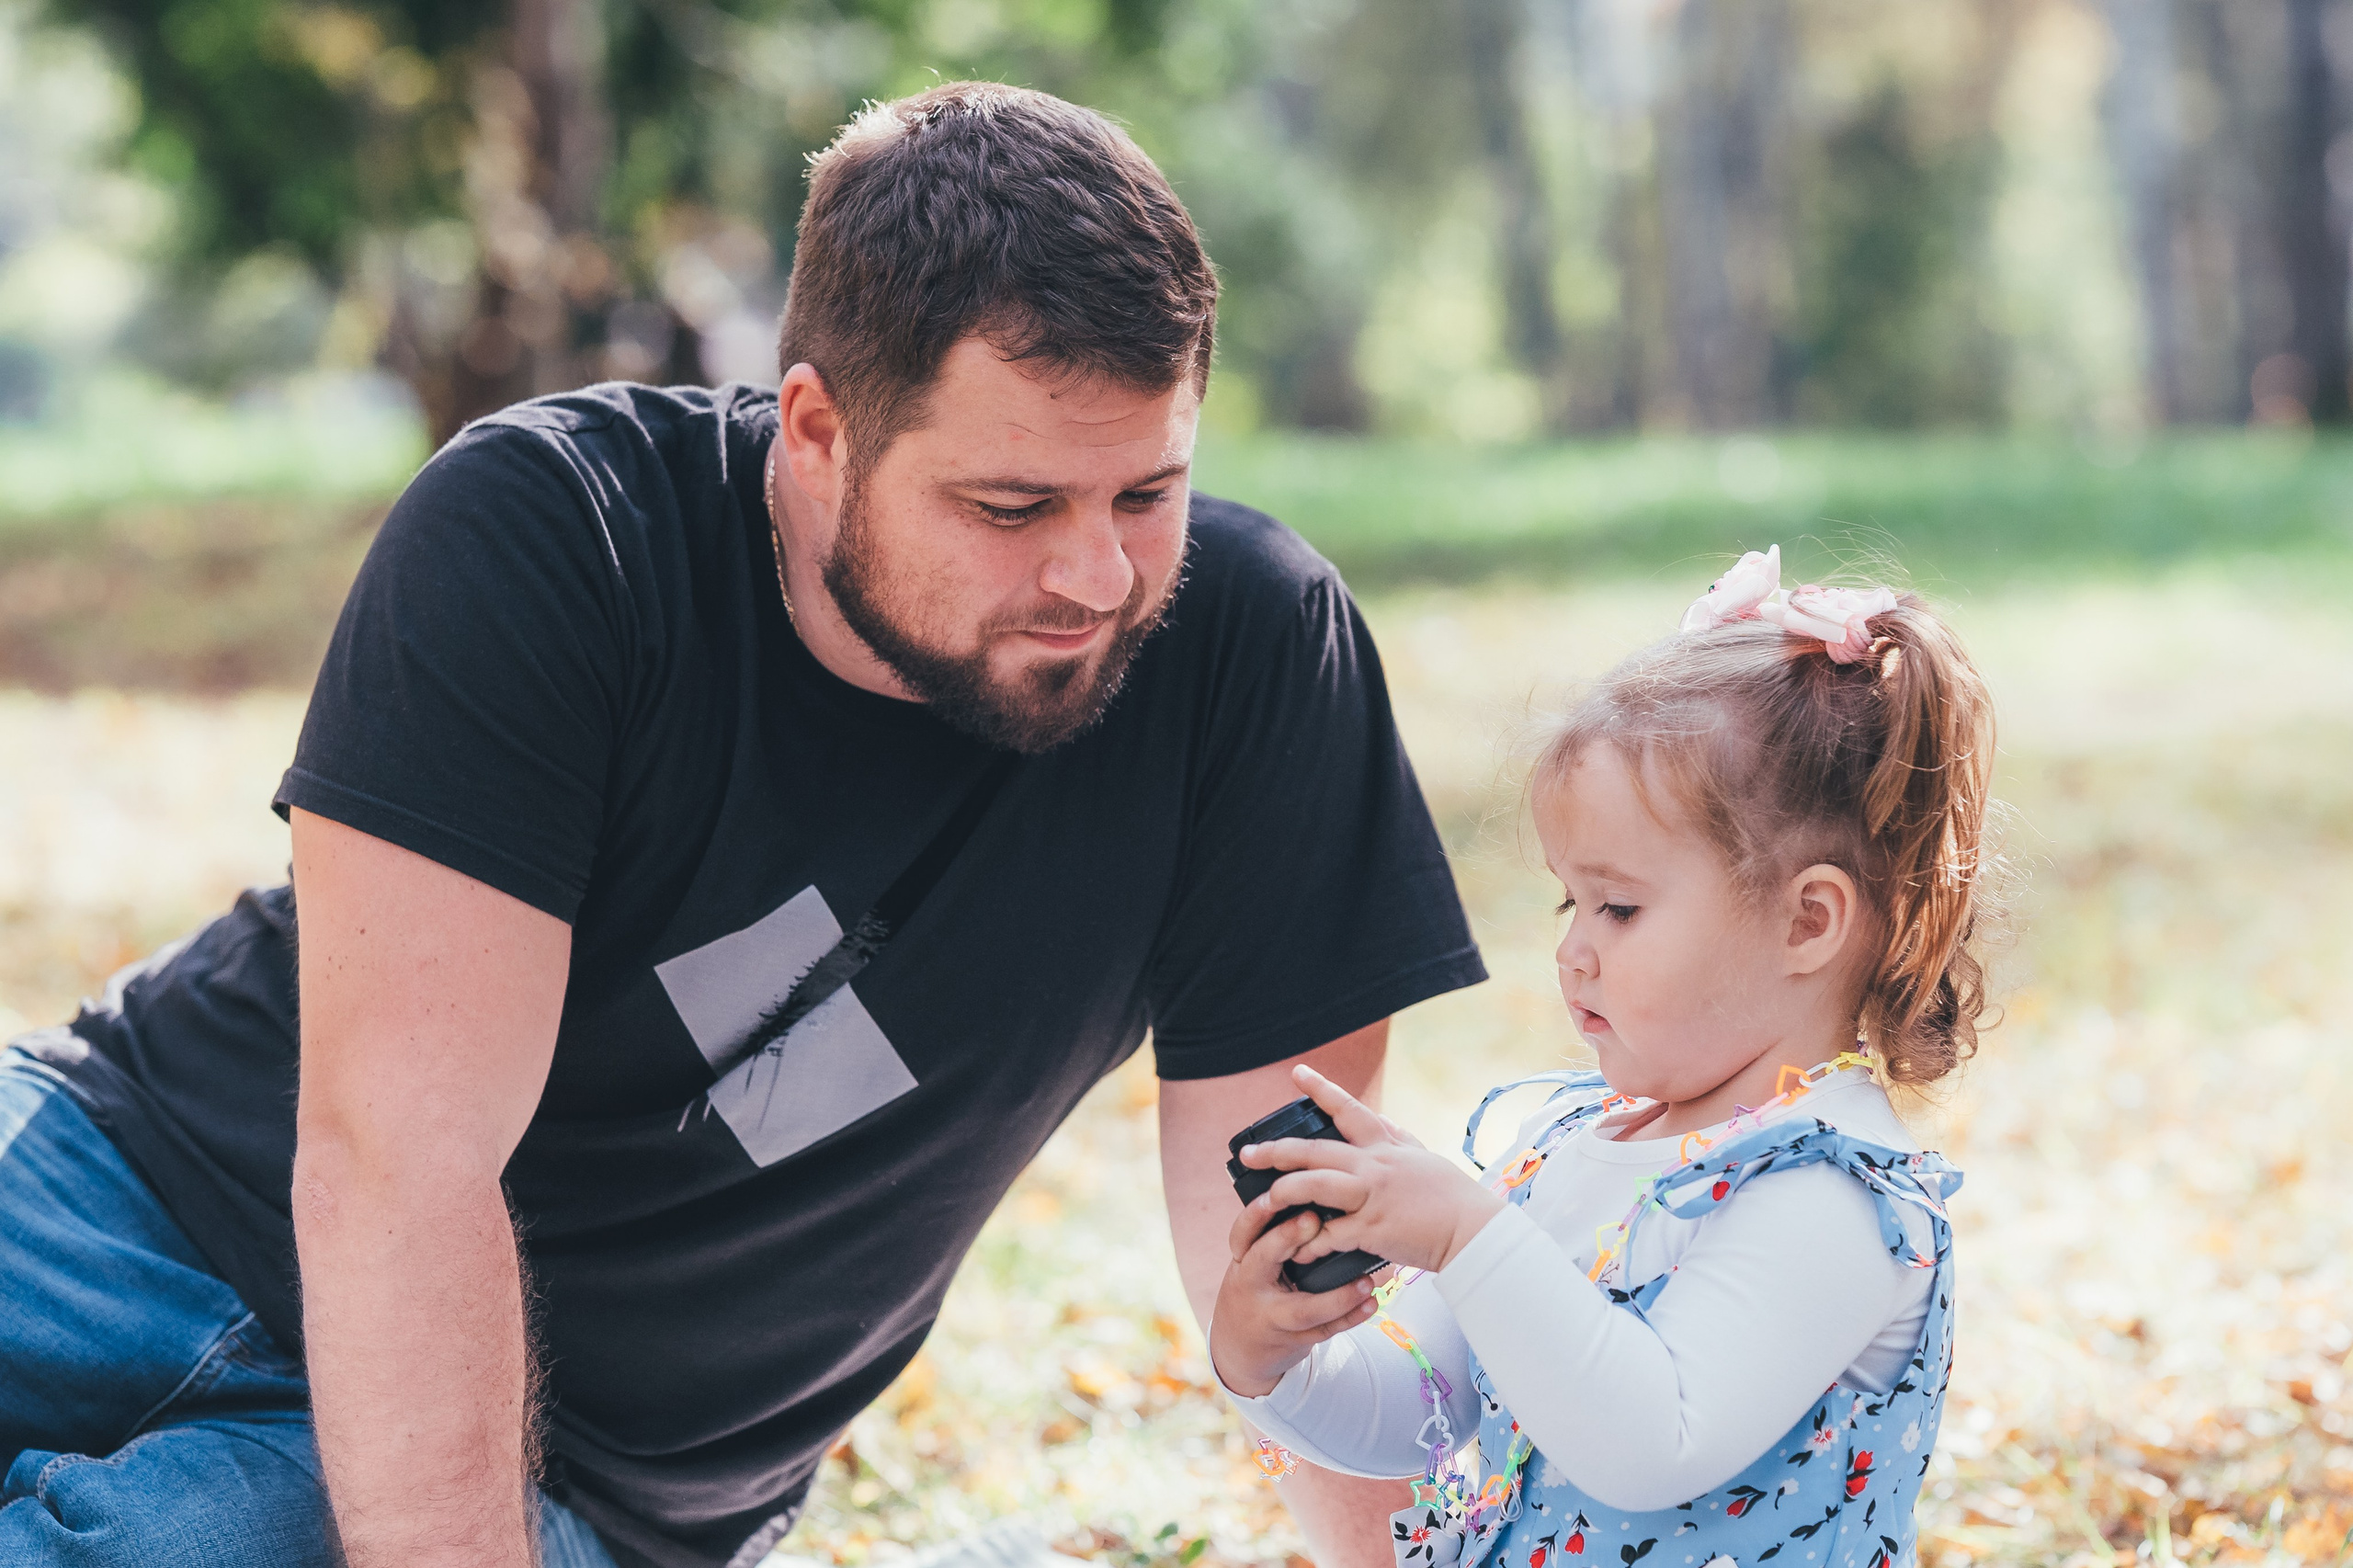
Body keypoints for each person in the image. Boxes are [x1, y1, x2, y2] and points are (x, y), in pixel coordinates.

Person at [0, 84, 1487, 1568]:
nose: (1097, 577)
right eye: (1012, 505)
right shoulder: (559, 534)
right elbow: (399, 1161)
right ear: (818, 430)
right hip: (121, 1192)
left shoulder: (1252, 661)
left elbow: (1297, 1267)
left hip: (572, 1474)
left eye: (1148, 493)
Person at [1210, 546, 1995, 1568]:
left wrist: (1467, 1233)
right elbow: (1422, 1410)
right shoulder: (1568, 1144)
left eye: (1618, 905)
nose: (1572, 946)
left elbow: (1651, 1442)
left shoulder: (1828, 1193)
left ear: (1807, 921)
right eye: (1568, 900)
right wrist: (1273, 1356)